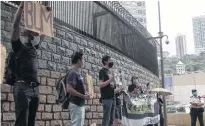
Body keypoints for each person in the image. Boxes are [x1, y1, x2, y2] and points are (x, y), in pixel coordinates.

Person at [10, 2, 50, 126]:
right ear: (29, 34)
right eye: (35, 32)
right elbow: (15, 25)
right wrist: (21, 7)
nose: (38, 34)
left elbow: (45, 31)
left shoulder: (35, 48)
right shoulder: (18, 46)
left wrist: (46, 13)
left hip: (34, 90)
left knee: (31, 122)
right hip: (22, 88)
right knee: (22, 122)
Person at [66, 51, 91, 126]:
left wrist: (84, 94)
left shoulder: (77, 72)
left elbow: (78, 88)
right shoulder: (72, 72)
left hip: (79, 104)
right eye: (83, 59)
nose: (84, 61)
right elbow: (69, 89)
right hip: (76, 104)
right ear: (78, 60)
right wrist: (83, 96)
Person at [99, 55, 116, 126]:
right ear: (105, 62)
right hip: (106, 98)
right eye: (110, 60)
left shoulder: (110, 72)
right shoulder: (102, 71)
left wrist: (116, 87)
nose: (111, 61)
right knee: (106, 119)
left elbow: (111, 85)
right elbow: (100, 84)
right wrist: (110, 80)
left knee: (111, 120)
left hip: (113, 97)